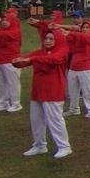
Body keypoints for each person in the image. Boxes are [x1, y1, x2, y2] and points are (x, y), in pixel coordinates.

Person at [12, 28, 73, 158]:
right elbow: (26, 59)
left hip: (53, 90)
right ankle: (39, 145)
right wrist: (17, 61)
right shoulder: (41, 52)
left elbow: (54, 59)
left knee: (55, 119)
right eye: (46, 38)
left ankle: (64, 146)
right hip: (38, 90)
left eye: (51, 39)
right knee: (36, 119)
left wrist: (31, 60)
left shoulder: (62, 50)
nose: (48, 41)